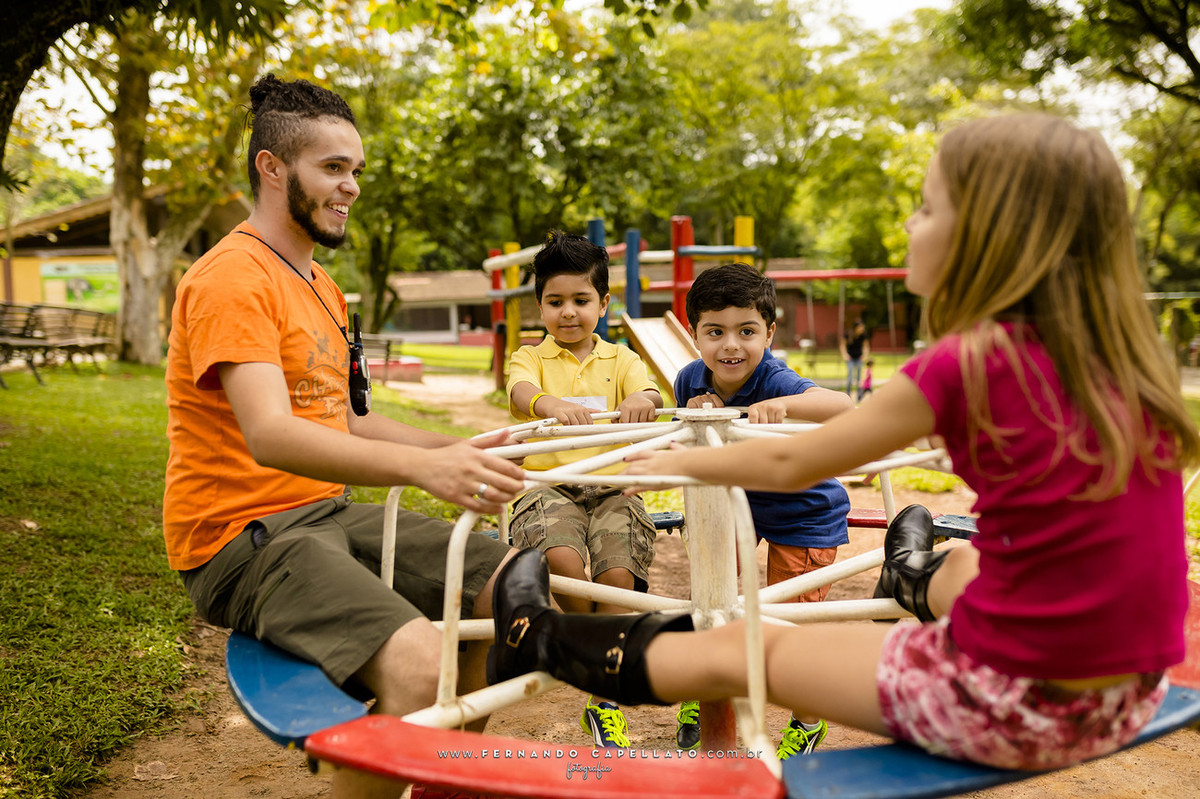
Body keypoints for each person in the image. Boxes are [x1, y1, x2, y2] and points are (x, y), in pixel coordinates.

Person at [486, 113, 1199, 772]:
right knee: (969, 557)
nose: (911, 223)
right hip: (1128, 692)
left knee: (751, 645)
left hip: (1009, 701)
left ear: (989, 238)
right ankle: (913, 573)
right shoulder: (1126, 366)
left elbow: (798, 457)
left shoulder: (970, 363)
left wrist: (682, 456)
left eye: (925, 207)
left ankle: (539, 638)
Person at [164, 74, 526, 799]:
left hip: (325, 512)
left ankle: (424, 782)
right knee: (424, 666)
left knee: (513, 592)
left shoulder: (321, 284)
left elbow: (349, 420)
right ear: (273, 167)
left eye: (355, 169)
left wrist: (464, 446)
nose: (352, 186)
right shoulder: (233, 279)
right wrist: (421, 472)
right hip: (243, 535)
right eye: (333, 168)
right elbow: (270, 434)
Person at [671, 262, 853, 755]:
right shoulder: (689, 379)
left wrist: (788, 407)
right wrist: (693, 409)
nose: (731, 345)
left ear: (769, 334)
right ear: (694, 335)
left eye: (746, 331)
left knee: (787, 622)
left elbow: (843, 407)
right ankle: (709, 693)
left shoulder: (776, 380)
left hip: (803, 511)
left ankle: (807, 720)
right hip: (735, 503)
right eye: (715, 332)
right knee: (714, 600)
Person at [504, 229, 663, 748]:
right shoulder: (530, 357)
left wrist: (642, 398)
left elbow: (647, 390)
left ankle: (603, 699)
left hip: (612, 485)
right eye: (555, 302)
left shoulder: (622, 360)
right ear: (540, 306)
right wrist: (548, 405)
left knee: (616, 574)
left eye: (580, 300)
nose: (567, 312)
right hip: (549, 484)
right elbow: (520, 391)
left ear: (603, 303)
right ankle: (596, 655)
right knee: (566, 564)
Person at [840, 319, 870, 397]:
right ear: (856, 328)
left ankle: (859, 396)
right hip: (850, 359)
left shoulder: (863, 335)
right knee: (850, 377)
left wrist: (864, 356)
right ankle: (848, 395)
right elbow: (842, 345)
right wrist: (845, 355)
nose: (862, 329)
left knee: (859, 378)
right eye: (861, 328)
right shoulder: (848, 334)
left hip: (859, 359)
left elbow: (866, 346)